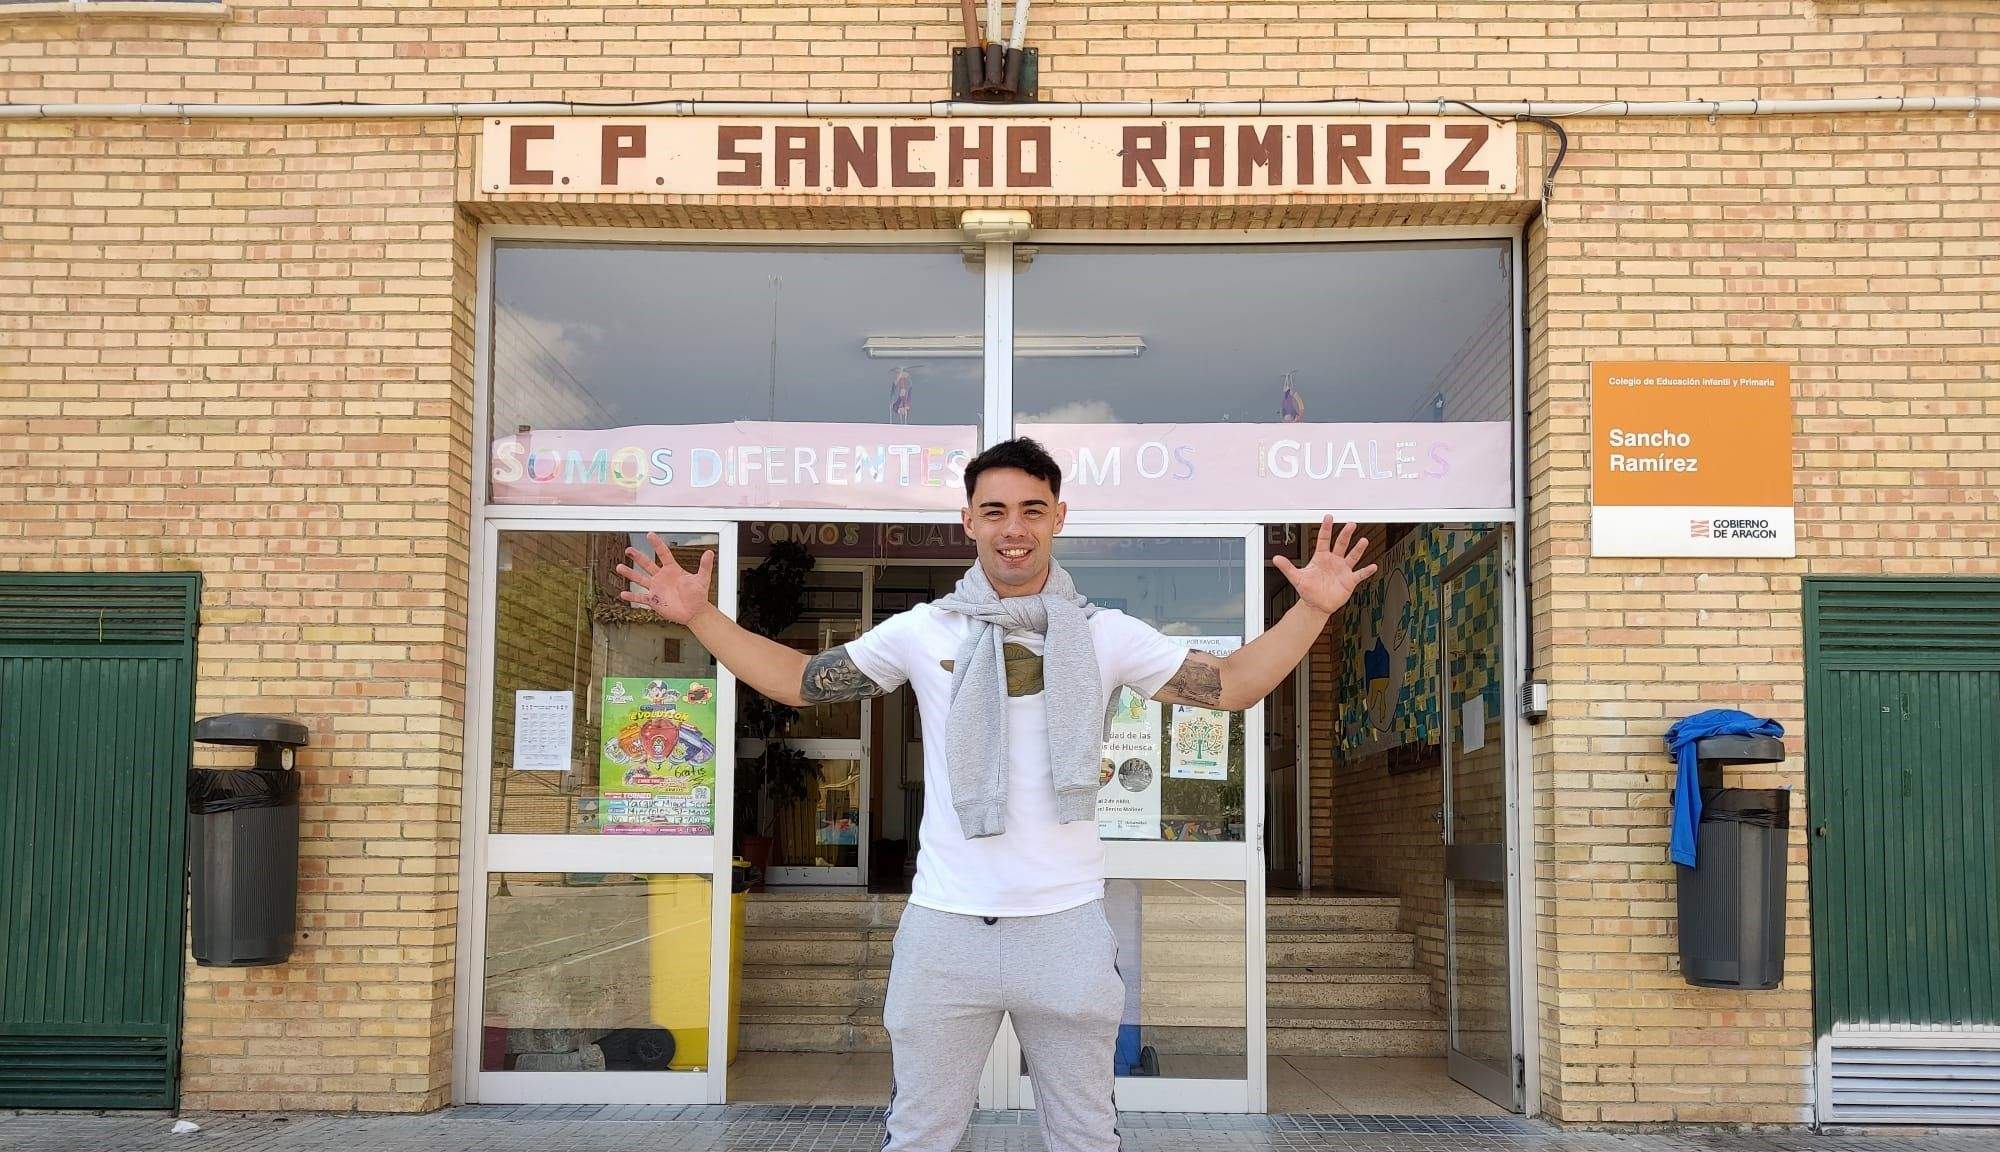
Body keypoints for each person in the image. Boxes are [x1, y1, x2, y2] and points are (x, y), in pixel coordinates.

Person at [617, 438, 1376, 1152]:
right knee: (920, 1134)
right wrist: (698, 616)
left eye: (1032, 510)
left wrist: (1314, 608)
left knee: (1085, 1136)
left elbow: (1233, 686)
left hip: (1068, 928)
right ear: (968, 522)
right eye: (995, 511)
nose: (1013, 529)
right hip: (947, 929)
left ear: (1059, 518)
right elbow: (801, 680)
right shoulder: (925, 630)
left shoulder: (1104, 634)